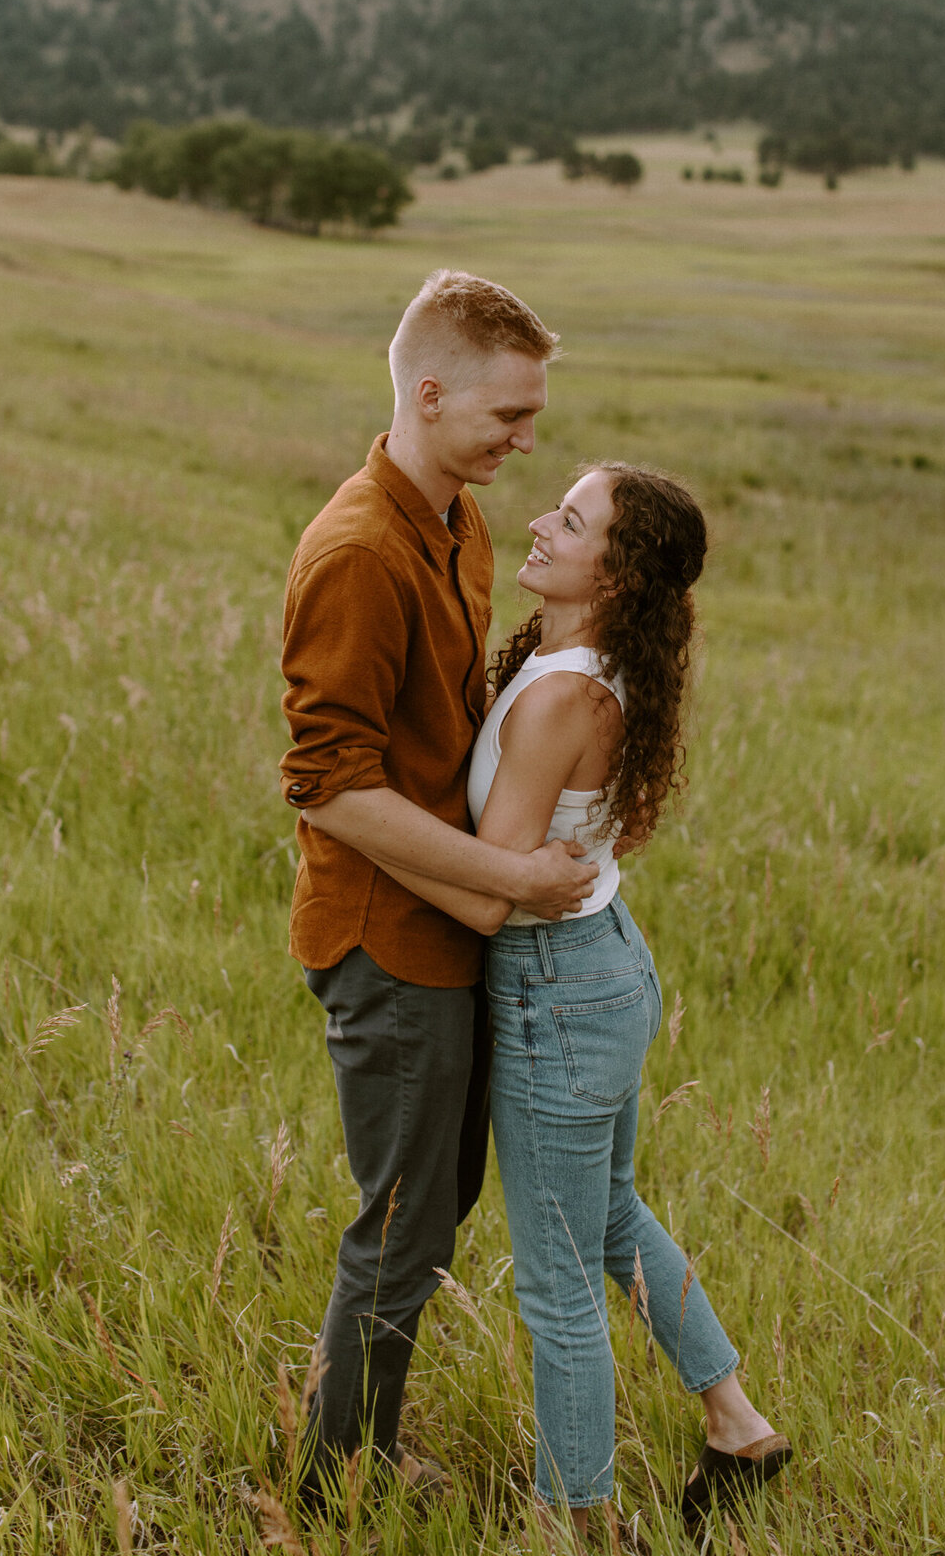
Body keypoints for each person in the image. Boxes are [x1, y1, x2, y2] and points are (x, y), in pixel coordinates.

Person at [380, 462, 792, 1539]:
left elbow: (484, 903)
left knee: (557, 1287)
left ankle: (579, 1521)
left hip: (556, 990)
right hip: (599, 967)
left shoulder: (569, 692)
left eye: (570, 520)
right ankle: (737, 1424)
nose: (537, 523)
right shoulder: (581, 663)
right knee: (609, 1218)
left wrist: (361, 833)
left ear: (618, 573)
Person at [278, 270, 600, 1508]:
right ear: (428, 391)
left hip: (451, 923)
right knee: (406, 1221)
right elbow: (329, 786)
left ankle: (346, 1430)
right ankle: (332, 1489)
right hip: (388, 941)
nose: (527, 441)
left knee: (433, 1204)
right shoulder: (358, 553)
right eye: (509, 417)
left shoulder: (457, 521)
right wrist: (511, 875)